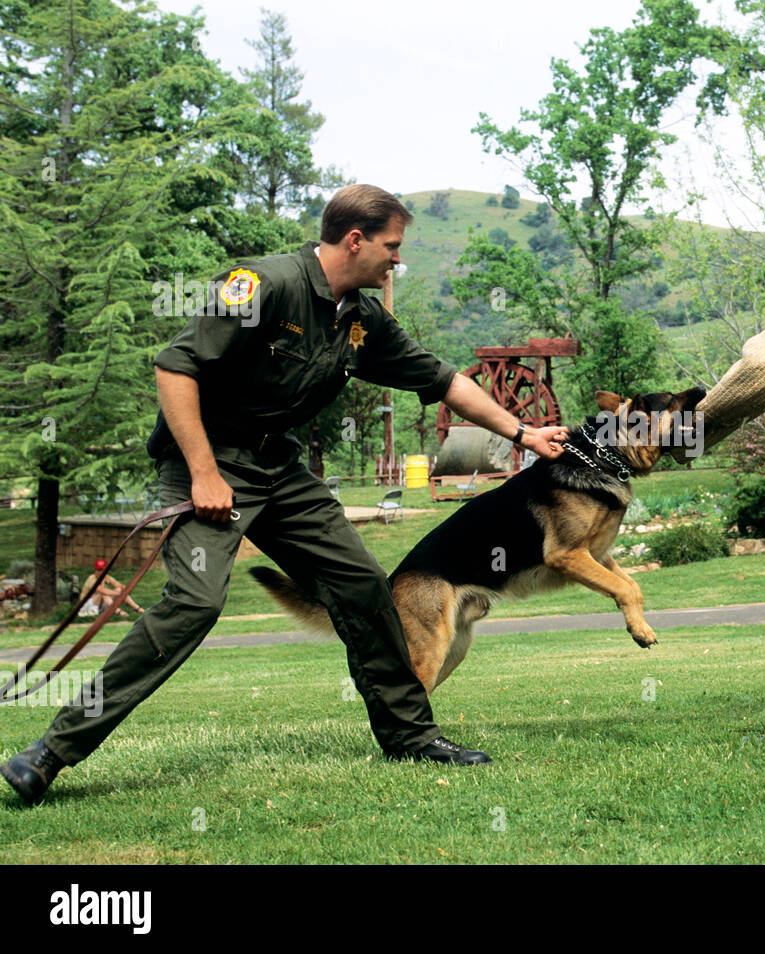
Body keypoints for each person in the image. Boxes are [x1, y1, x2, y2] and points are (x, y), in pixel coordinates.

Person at [3, 184, 568, 806]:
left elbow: (444, 381)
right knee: (193, 604)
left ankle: (409, 734)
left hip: (279, 471)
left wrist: (522, 431)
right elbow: (175, 368)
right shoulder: (261, 284)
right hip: (208, 460)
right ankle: (48, 753)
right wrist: (203, 473)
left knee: (362, 587)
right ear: (356, 239)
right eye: (391, 246)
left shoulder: (362, 320)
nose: (396, 260)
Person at [77, 558, 144, 618]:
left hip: (99, 603)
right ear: (95, 569)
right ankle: (118, 611)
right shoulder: (92, 579)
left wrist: (125, 589)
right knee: (104, 594)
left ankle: (136, 608)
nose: (99, 572)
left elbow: (118, 585)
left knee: (119, 590)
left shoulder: (106, 577)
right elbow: (102, 590)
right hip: (87, 605)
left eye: (101, 570)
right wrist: (118, 593)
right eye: (98, 569)